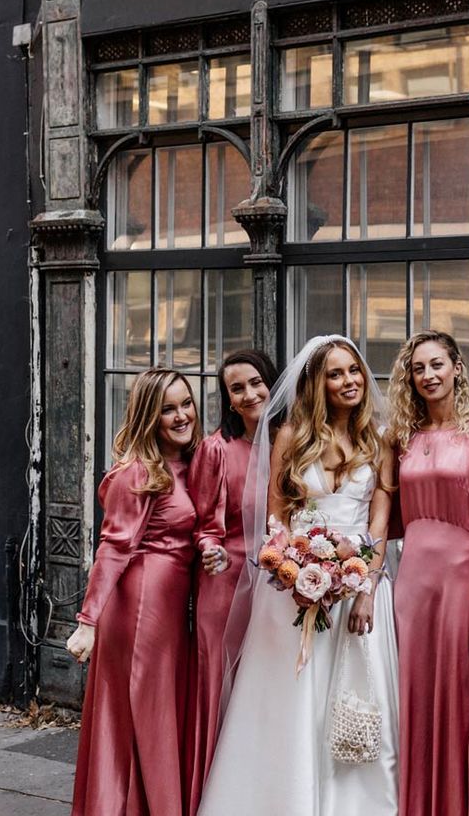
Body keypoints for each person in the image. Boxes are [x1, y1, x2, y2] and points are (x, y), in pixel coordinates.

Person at [197, 335, 400, 816]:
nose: (349, 381)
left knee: (354, 705)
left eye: (354, 370)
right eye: (335, 373)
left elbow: (379, 523)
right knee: (291, 703)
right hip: (296, 591)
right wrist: (298, 571)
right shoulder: (290, 436)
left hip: (358, 589)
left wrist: (364, 586)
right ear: (317, 383)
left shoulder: (380, 437)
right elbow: (278, 518)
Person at [386, 330, 469, 816]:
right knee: (413, 696)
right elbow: (387, 518)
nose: (428, 375)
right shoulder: (402, 440)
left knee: (461, 697)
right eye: (418, 368)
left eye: (437, 364)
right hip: (412, 586)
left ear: (456, 368)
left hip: (462, 585)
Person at [67, 367, 201, 816]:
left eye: (186, 403)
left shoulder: (187, 463)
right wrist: (87, 622)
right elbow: (113, 548)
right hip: (140, 606)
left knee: (156, 712)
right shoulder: (137, 472)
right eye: (168, 409)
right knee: (138, 714)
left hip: (168, 607)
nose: (182, 416)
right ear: (148, 416)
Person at [184, 349, 278, 816]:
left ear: (273, 383)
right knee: (220, 689)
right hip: (224, 583)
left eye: (256, 382)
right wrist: (210, 548)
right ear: (228, 399)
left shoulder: (291, 444)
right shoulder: (217, 449)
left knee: (263, 691)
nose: (249, 394)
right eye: (236, 389)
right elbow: (203, 524)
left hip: (278, 588)